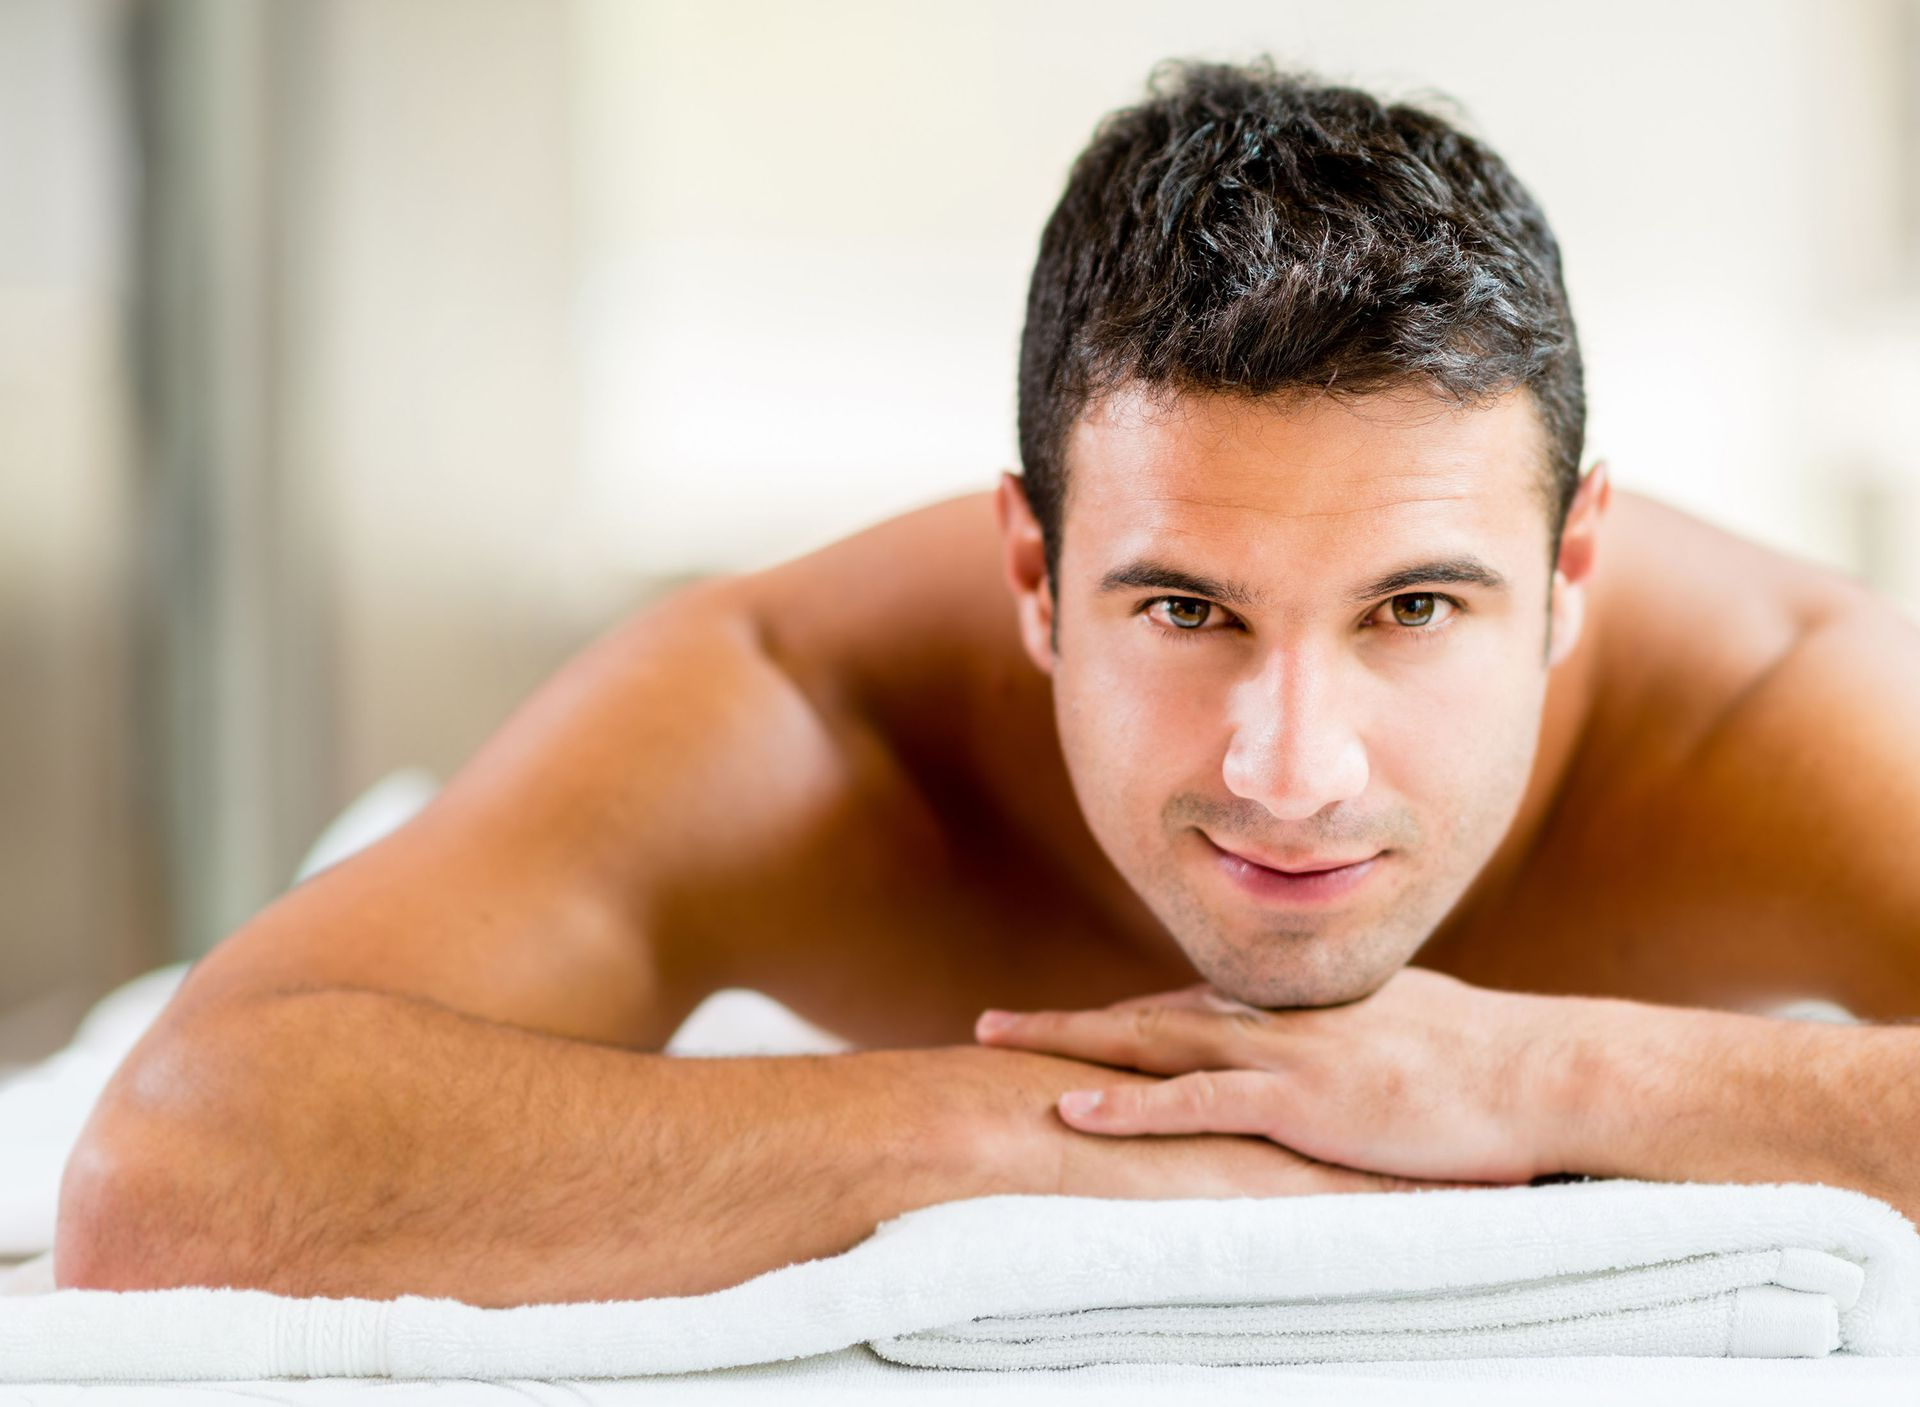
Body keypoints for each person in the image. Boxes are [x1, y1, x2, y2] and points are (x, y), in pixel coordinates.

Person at [57, 59, 1920, 1308]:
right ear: (1032, 570)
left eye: (1417, 608)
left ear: (1569, 570)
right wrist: (1122, 1142)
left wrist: (1538, 1072)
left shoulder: (1783, 705)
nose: (1293, 769)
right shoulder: (804, 714)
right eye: (1184, 610)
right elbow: (169, 1167)